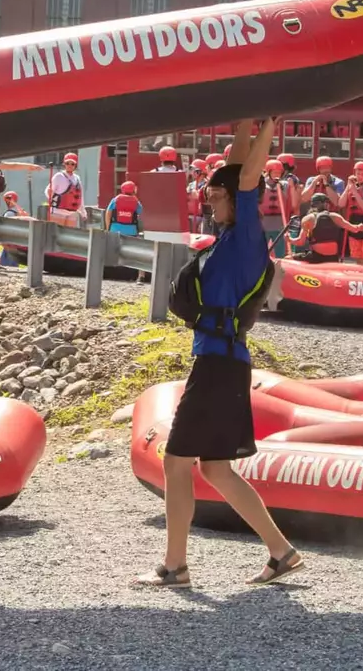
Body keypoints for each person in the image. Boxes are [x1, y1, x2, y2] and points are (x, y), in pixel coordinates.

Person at [136, 118, 302, 587]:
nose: (209, 202)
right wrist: (244, 122)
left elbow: (247, 175)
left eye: (215, 196)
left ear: (236, 198)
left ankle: (175, 567)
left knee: (175, 462)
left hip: (218, 364)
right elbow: (236, 167)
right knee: (214, 468)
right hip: (222, 362)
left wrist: (269, 124)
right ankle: (282, 552)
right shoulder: (229, 236)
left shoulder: (247, 234)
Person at [288, 194, 363, 263]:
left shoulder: (308, 219)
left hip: (316, 257)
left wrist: (289, 239)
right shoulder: (335, 217)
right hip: (333, 258)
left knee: (288, 258)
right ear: (326, 205)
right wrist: (359, 227)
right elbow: (355, 229)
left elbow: (300, 242)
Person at [259, 161, 290, 258]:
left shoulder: (284, 185)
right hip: (263, 224)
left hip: (279, 224)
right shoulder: (261, 184)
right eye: (275, 172)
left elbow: (288, 201)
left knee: (280, 254)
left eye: (279, 173)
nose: (277, 175)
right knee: (261, 253)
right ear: (269, 172)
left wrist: (280, 188)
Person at [48, 153, 86, 228]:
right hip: (58, 212)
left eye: (72, 164)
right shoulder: (58, 176)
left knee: (69, 233)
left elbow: (80, 197)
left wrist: (83, 212)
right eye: (67, 163)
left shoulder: (77, 178)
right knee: (56, 233)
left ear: (75, 165)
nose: (69, 165)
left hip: (72, 213)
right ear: (64, 164)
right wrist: (49, 193)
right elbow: (48, 192)